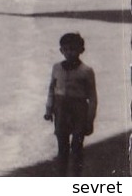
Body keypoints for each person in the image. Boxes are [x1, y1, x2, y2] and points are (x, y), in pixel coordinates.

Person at [44, 32, 97, 175]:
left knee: (77, 146)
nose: (69, 52)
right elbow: (52, 89)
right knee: (62, 146)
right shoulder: (57, 68)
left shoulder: (86, 71)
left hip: (79, 110)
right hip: (61, 110)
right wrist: (49, 109)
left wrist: (89, 120)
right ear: (61, 50)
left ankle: (76, 179)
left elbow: (92, 97)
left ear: (81, 50)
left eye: (73, 49)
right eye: (66, 49)